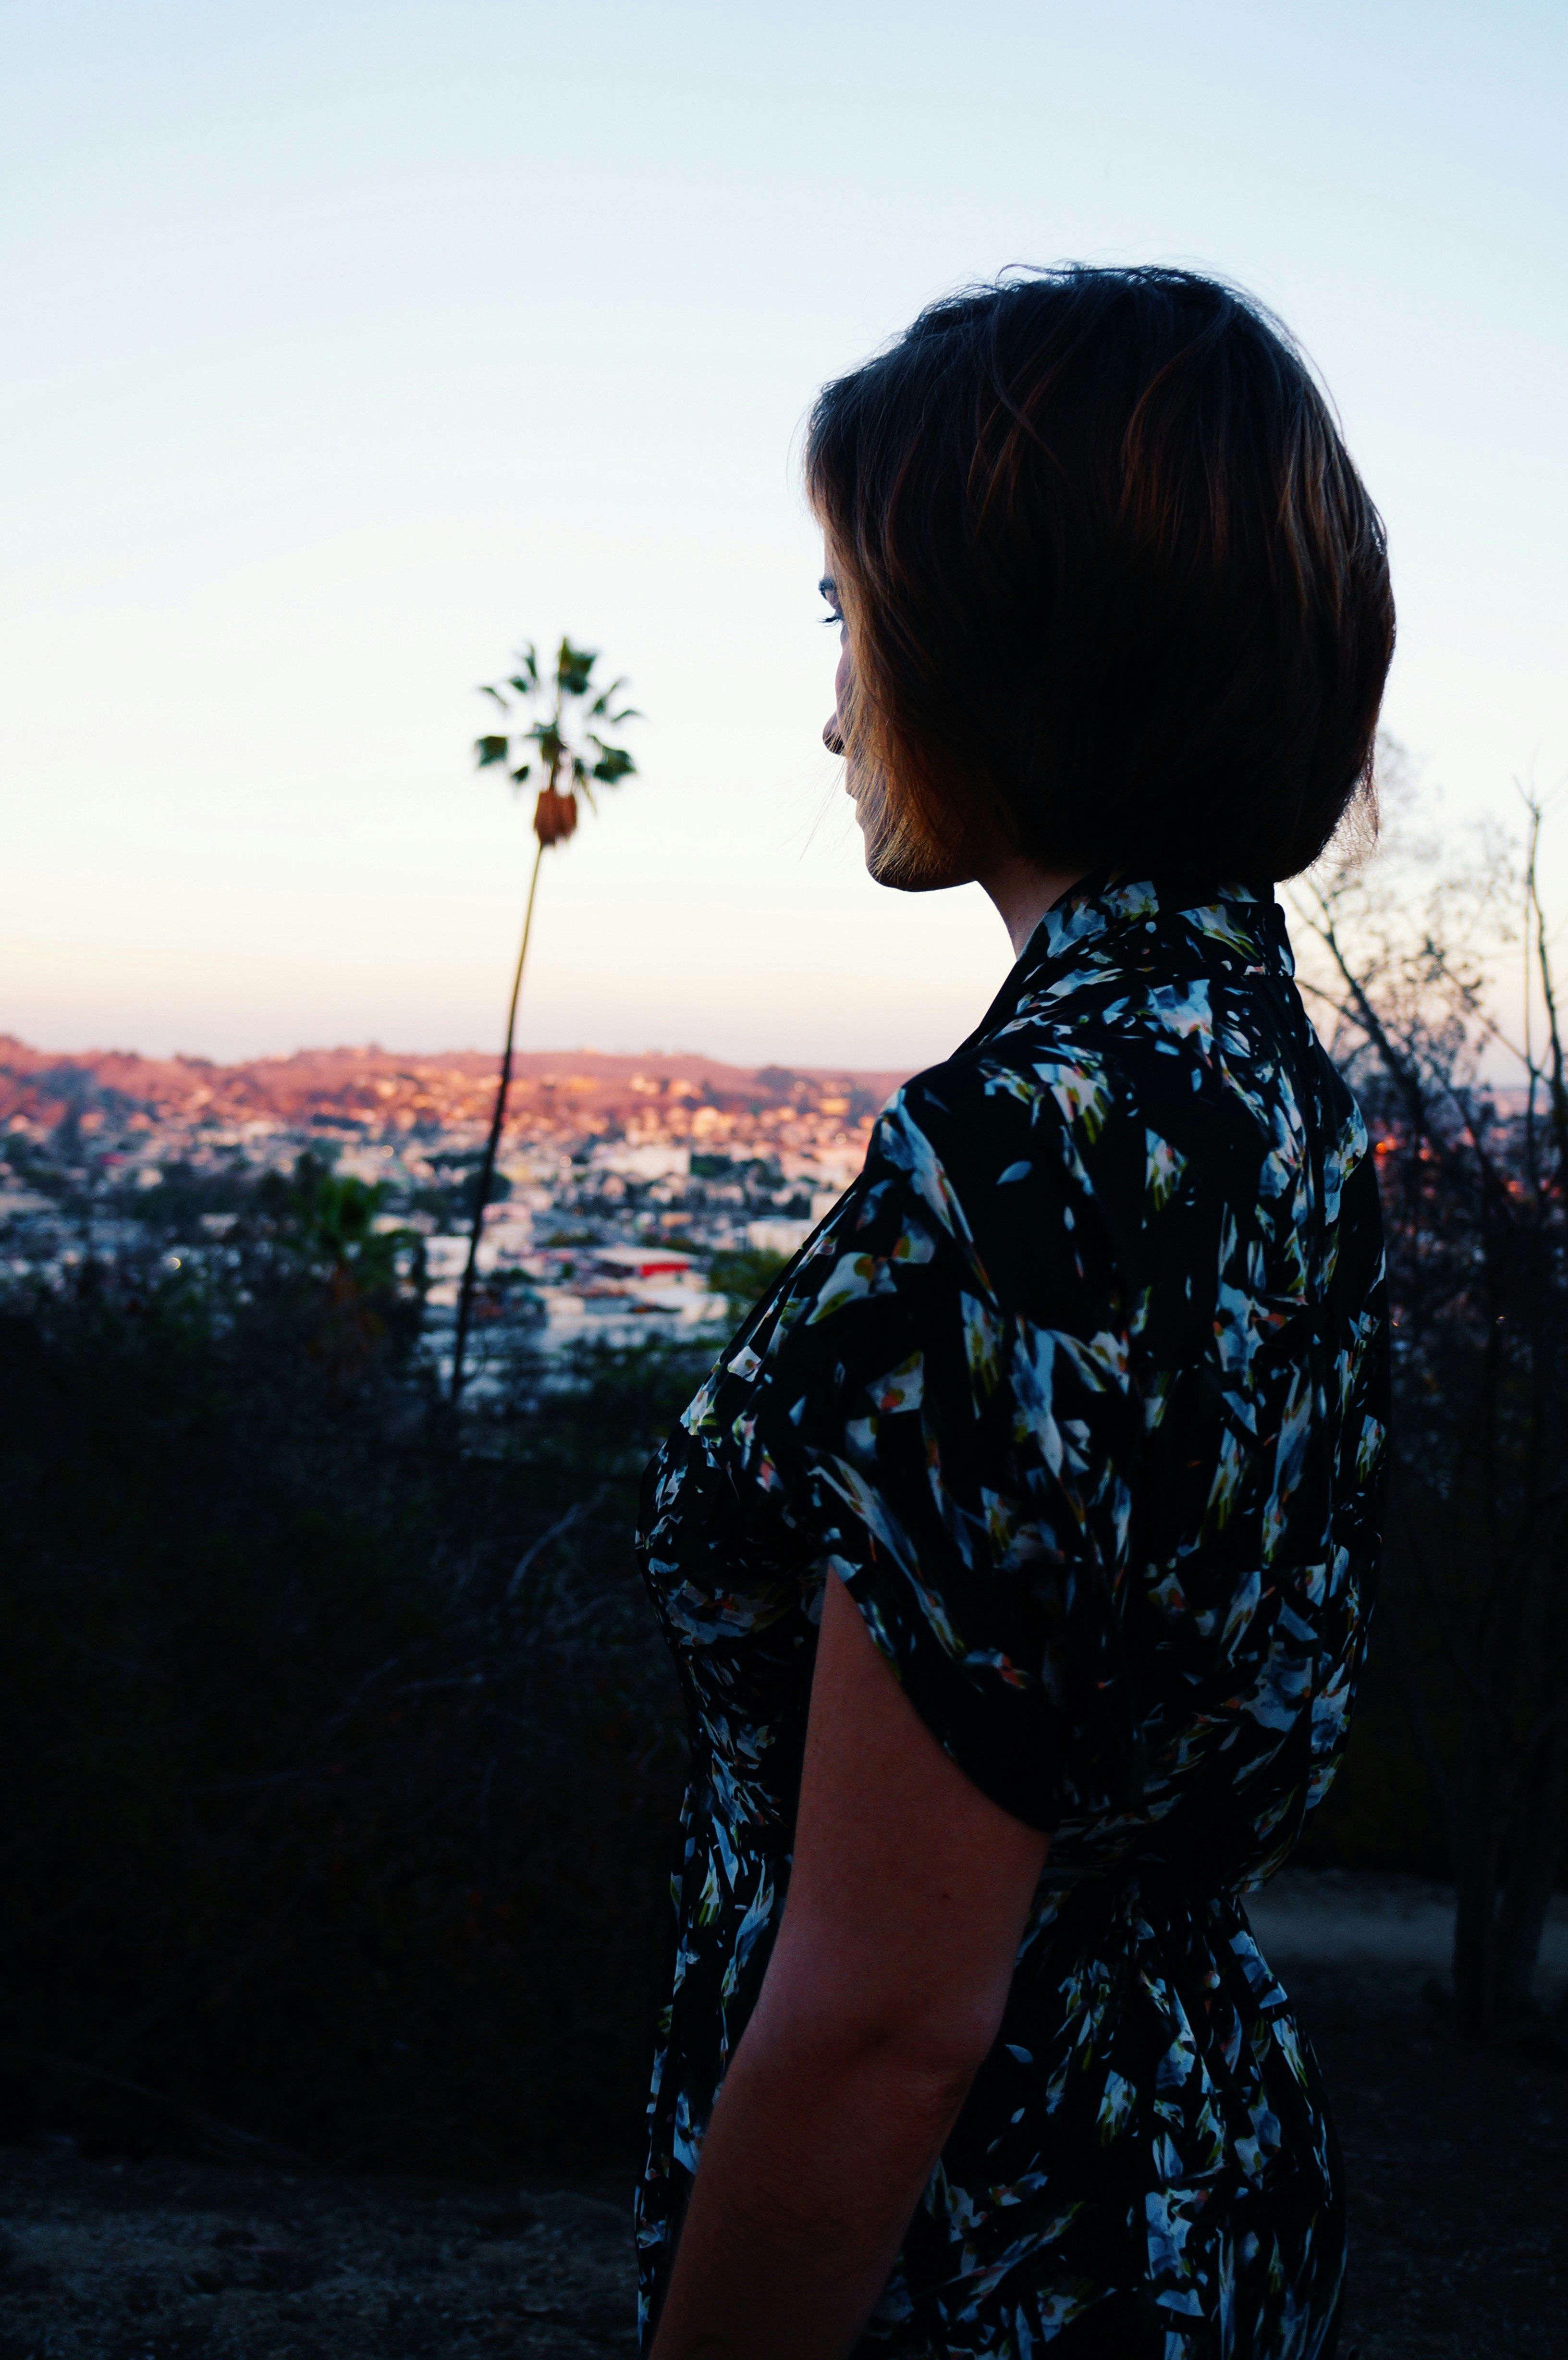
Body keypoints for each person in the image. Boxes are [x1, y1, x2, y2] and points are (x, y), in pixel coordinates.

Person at [636, 266, 1394, 2359]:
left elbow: (887, 2018)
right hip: (1204, 2198)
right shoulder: (1274, 1102)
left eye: (841, 621)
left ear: (997, 635)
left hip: (986, 2257)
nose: (829, 707)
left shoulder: (1015, 1169)